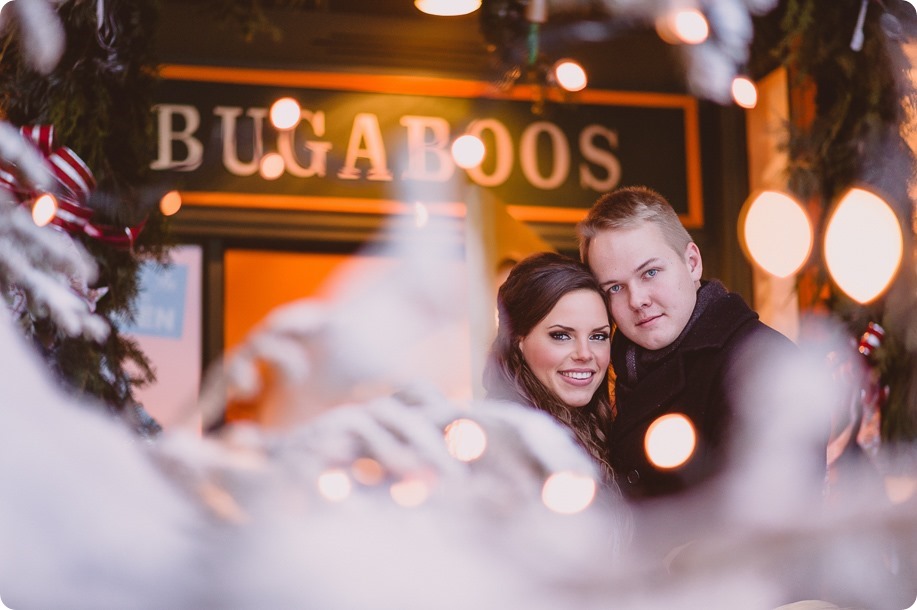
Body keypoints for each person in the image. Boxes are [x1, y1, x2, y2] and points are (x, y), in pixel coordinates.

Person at [578, 185, 798, 500]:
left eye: (650, 272)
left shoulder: (761, 362)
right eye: (615, 288)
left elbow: (770, 520)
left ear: (692, 262)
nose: (637, 300)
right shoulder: (611, 374)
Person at [483, 251, 614, 480]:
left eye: (598, 336)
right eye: (562, 336)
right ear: (518, 340)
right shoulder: (505, 447)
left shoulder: (602, 427)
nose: (585, 354)